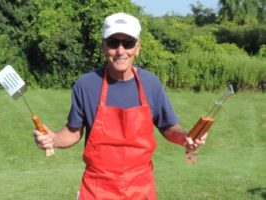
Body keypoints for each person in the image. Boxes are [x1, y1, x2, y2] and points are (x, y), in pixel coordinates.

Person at [34, 12, 206, 200]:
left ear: (137, 47)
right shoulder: (86, 85)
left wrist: (185, 138)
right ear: (103, 46)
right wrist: (54, 140)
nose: (121, 51)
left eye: (128, 43)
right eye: (114, 43)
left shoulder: (151, 84)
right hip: (97, 188)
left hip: (141, 188)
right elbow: (74, 131)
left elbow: (168, 128)